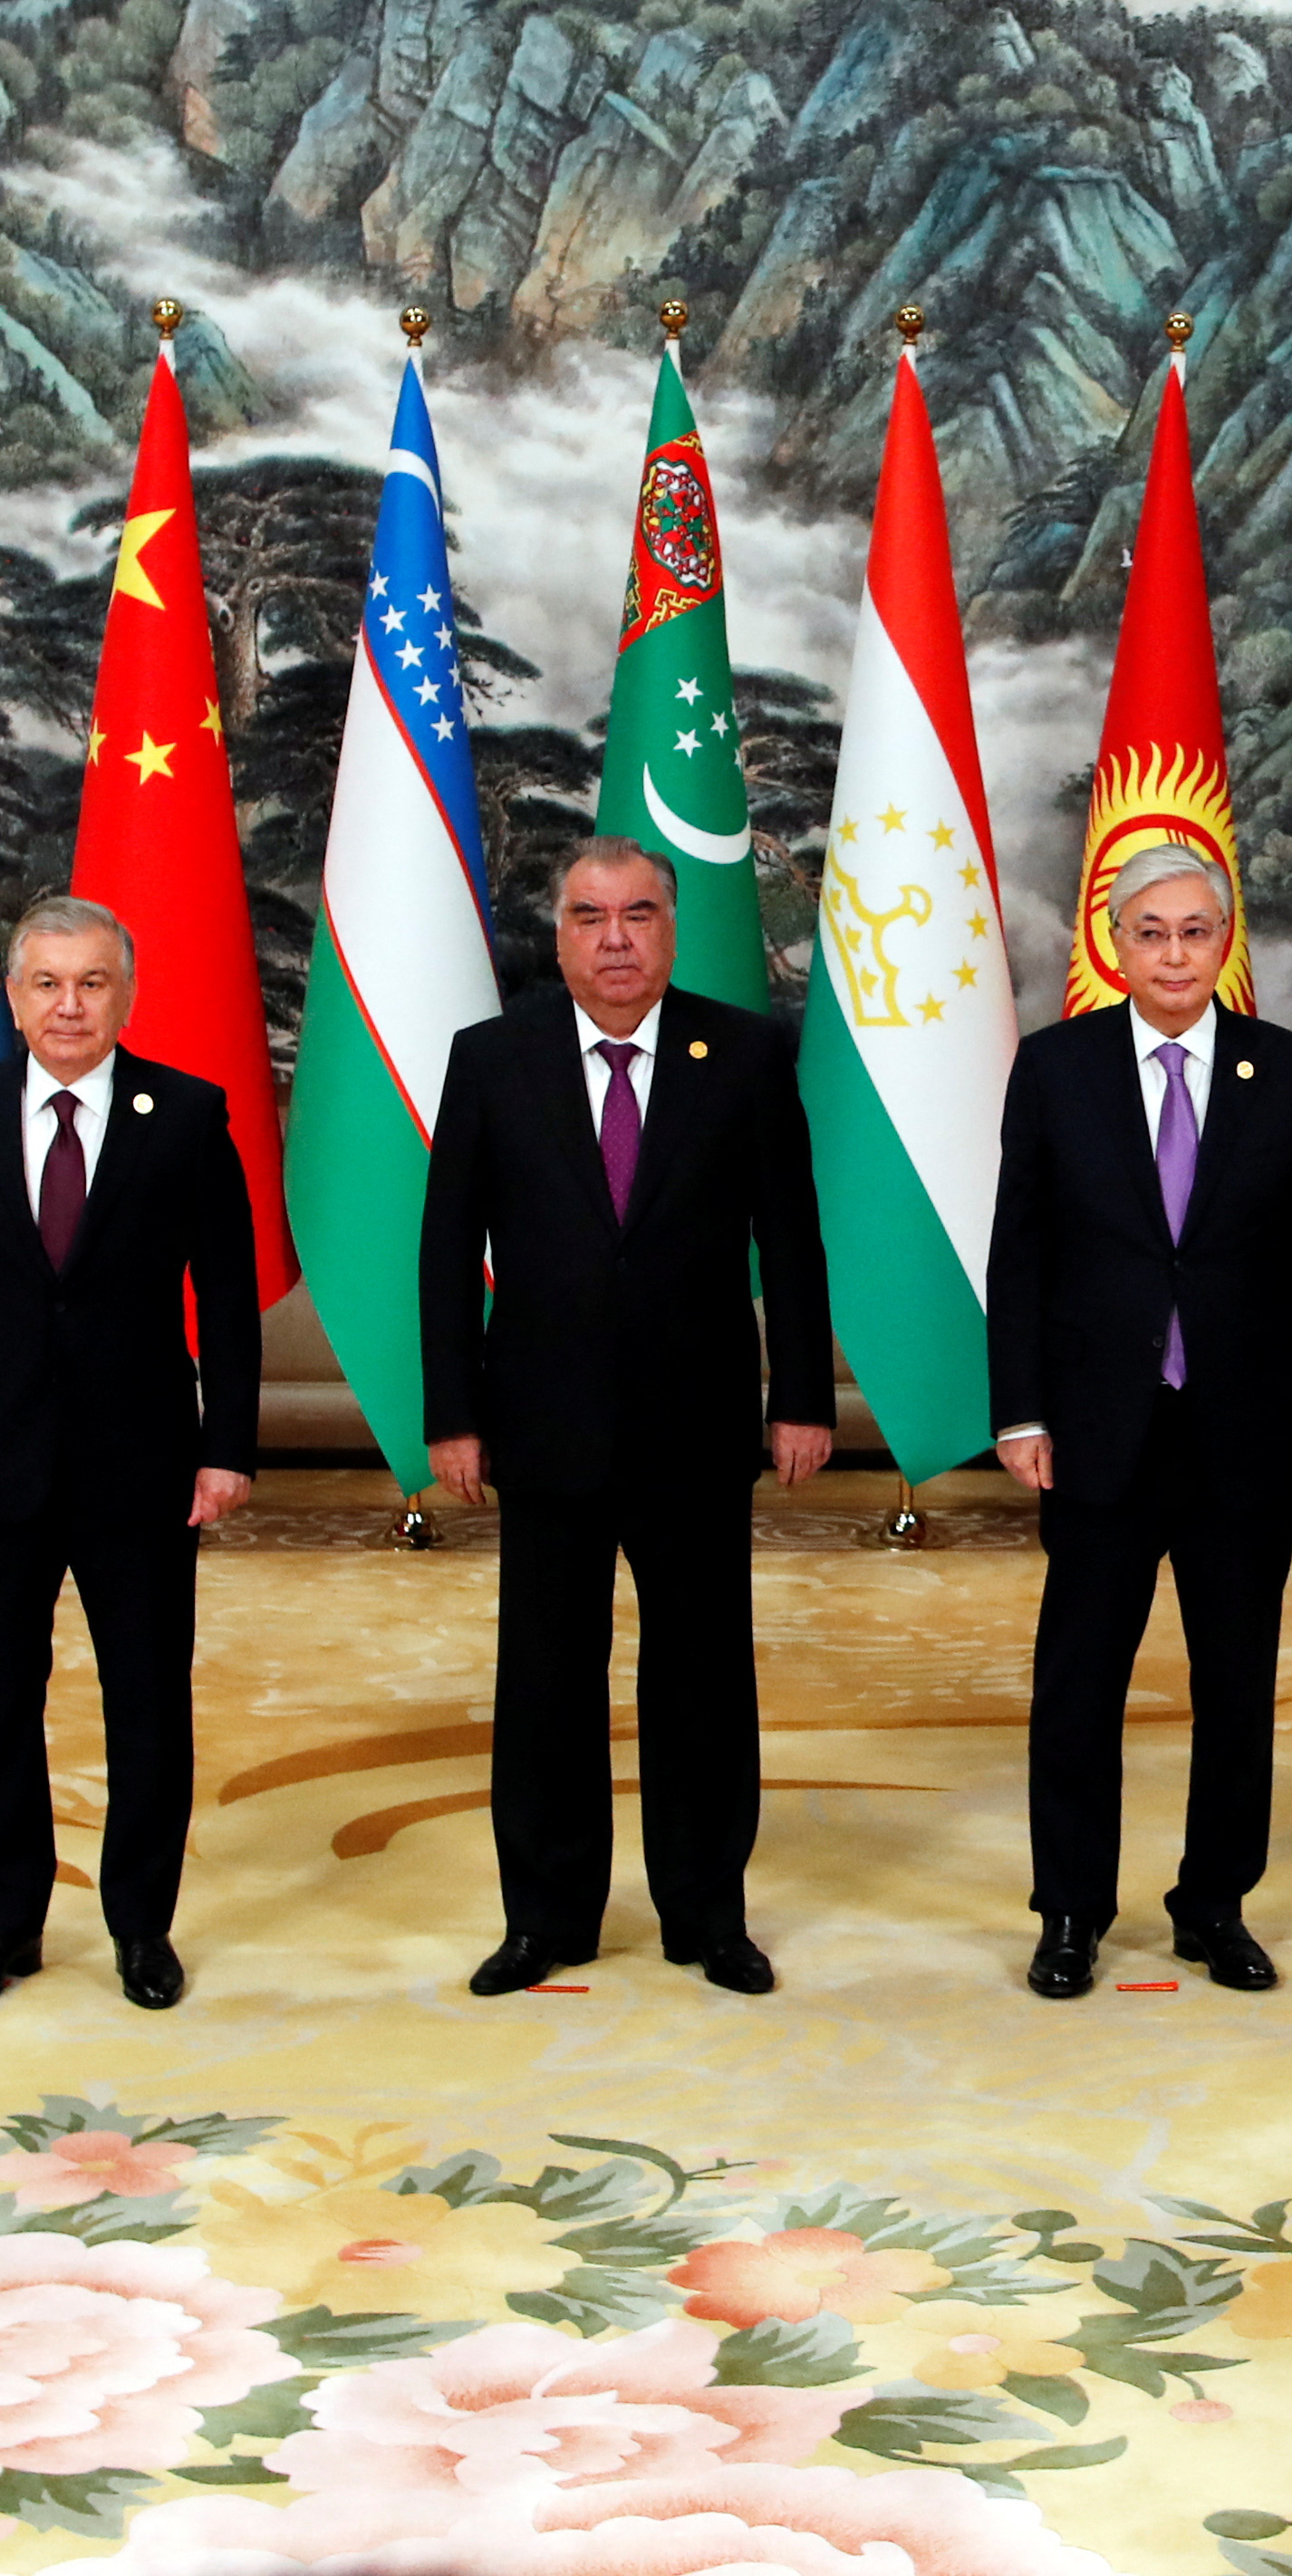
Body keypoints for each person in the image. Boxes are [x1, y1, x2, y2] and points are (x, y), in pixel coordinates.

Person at [419, 838, 832, 1998]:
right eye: (590, 916)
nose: (615, 938)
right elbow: (448, 1247)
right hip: (541, 1423)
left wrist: (800, 1395)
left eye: (639, 914)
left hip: (697, 1424)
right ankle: (546, 1916)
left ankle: (708, 1913)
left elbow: (791, 1240)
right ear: (557, 936)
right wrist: (453, 1412)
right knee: (546, 1678)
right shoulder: (493, 1060)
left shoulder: (744, 1054)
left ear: (672, 929)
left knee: (702, 1677)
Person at [986, 841, 1292, 1999]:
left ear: (1225, 940)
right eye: (1152, 931)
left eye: (1197, 930)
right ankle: (1070, 1913)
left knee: (1236, 1684)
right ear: (1116, 943)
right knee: (1080, 1686)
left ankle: (1214, 1904)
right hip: (1097, 1432)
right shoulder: (1055, 1070)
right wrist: (1019, 1411)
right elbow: (1022, 1255)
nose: (1176, 953)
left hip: (1246, 1437)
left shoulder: (1289, 1075)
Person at [0, 896, 258, 2014]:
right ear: (12, 994)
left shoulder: (187, 1115)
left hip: (144, 1468)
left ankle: (141, 1927)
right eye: (47, 983)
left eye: (92, 983)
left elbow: (231, 1301)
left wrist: (227, 1445)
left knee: (147, 1703)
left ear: (127, 993)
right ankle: (2, 1928)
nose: (69, 1005)